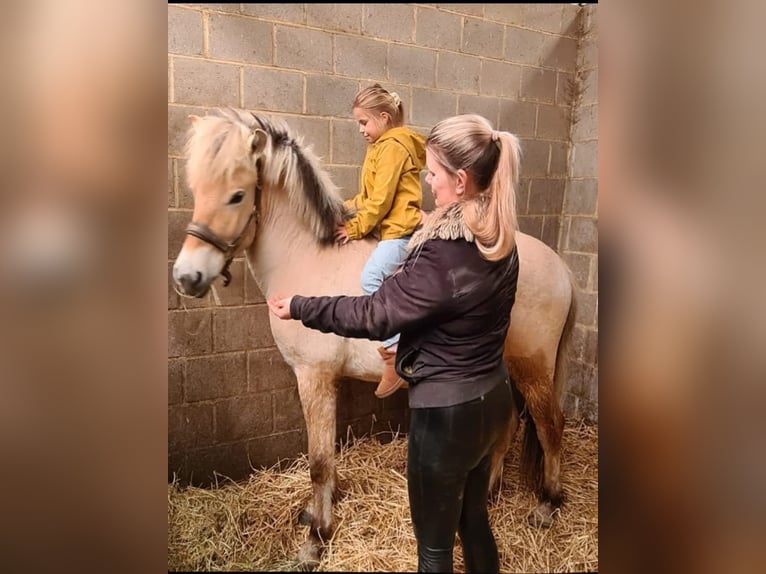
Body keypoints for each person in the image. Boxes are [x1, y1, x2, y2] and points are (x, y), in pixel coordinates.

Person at [268, 113, 522, 573]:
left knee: (434, 550)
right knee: (475, 521)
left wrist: (302, 306)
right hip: (493, 397)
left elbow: (374, 312)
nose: (425, 179)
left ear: (461, 180)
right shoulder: (500, 237)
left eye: (433, 172)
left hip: (447, 419)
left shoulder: (443, 254)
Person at [335, 83, 426, 399]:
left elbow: (381, 202)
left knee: (371, 276)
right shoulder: (380, 146)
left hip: (399, 229)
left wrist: (355, 228)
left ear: (384, 117)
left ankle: (394, 352)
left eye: (364, 122)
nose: (361, 129)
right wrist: (339, 208)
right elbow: (367, 196)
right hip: (389, 224)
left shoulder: (392, 148)